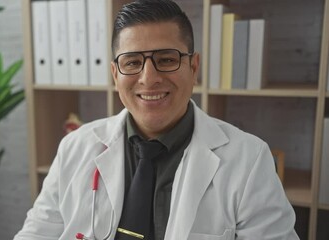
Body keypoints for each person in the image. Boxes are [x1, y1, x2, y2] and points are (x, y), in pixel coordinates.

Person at [15, 0, 299, 239]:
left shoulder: (249, 160)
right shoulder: (74, 148)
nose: (149, 78)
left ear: (193, 66)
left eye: (165, 59)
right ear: (115, 74)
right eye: (132, 62)